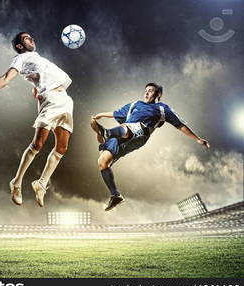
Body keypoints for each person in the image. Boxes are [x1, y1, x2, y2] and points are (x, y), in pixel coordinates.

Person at [0, 32, 74, 207]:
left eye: (32, 37)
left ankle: (41, 184)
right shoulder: (21, 58)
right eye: (26, 38)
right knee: (38, 144)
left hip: (66, 101)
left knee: (62, 148)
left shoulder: (38, 59)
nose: (32, 39)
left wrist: (35, 86)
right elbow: (6, 78)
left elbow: (38, 76)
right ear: (19, 46)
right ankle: (16, 183)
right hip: (51, 100)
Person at [90, 83, 210, 211]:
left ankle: (106, 133)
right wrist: (101, 114)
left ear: (158, 94)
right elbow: (116, 113)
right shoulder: (135, 104)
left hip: (141, 132)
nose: (147, 93)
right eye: (146, 90)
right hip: (122, 135)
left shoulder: (162, 108)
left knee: (127, 127)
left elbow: (180, 125)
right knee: (102, 162)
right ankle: (115, 195)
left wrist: (197, 139)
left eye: (151, 91)